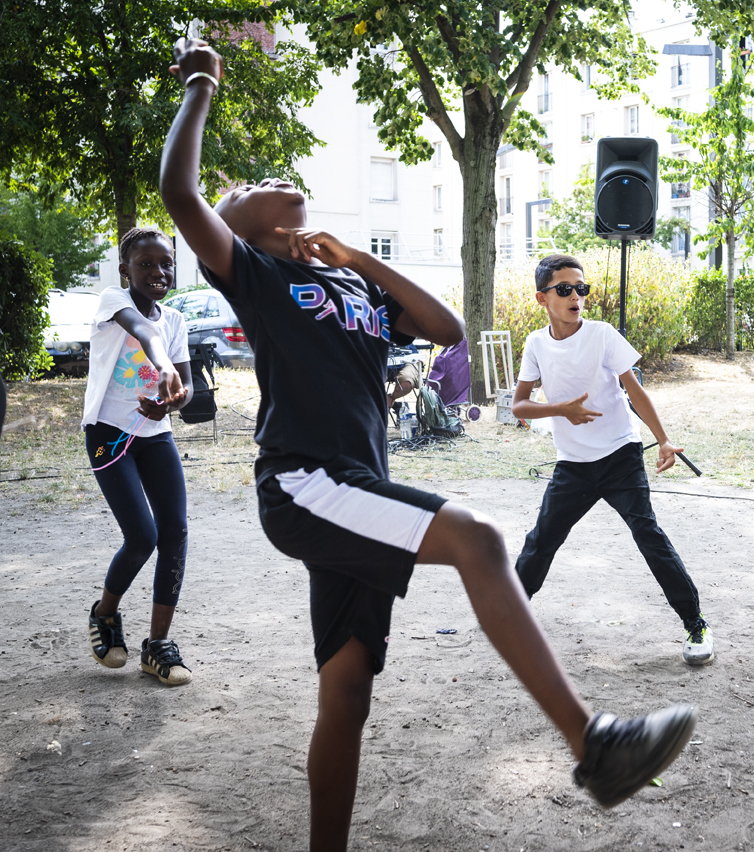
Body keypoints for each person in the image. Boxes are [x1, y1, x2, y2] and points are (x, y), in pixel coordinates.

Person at [160, 39, 695, 852]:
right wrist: (202, 81)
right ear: (237, 229)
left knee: (346, 696)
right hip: (306, 479)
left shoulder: (345, 280)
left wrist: (361, 259)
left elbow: (445, 333)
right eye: (251, 187)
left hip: (353, 488)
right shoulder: (255, 275)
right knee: (481, 539)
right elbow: (179, 190)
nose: (271, 180)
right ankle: (595, 746)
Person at [510, 254, 713, 666]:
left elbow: (635, 392)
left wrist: (664, 441)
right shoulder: (536, 343)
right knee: (543, 538)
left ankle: (695, 623)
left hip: (620, 455)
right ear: (541, 298)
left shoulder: (602, 335)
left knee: (648, 536)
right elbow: (519, 406)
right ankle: (510, 611)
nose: (575, 296)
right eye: (564, 289)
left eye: (581, 289)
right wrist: (561, 409)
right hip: (573, 464)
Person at [82, 227, 195, 686]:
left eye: (165, 263)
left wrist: (172, 400)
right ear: (126, 269)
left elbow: (186, 390)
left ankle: (158, 647)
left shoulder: (177, 320)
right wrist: (163, 364)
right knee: (142, 536)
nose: (158, 271)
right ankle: (105, 616)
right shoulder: (113, 302)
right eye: (146, 264)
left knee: (176, 532)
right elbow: (142, 331)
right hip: (108, 434)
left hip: (154, 433)